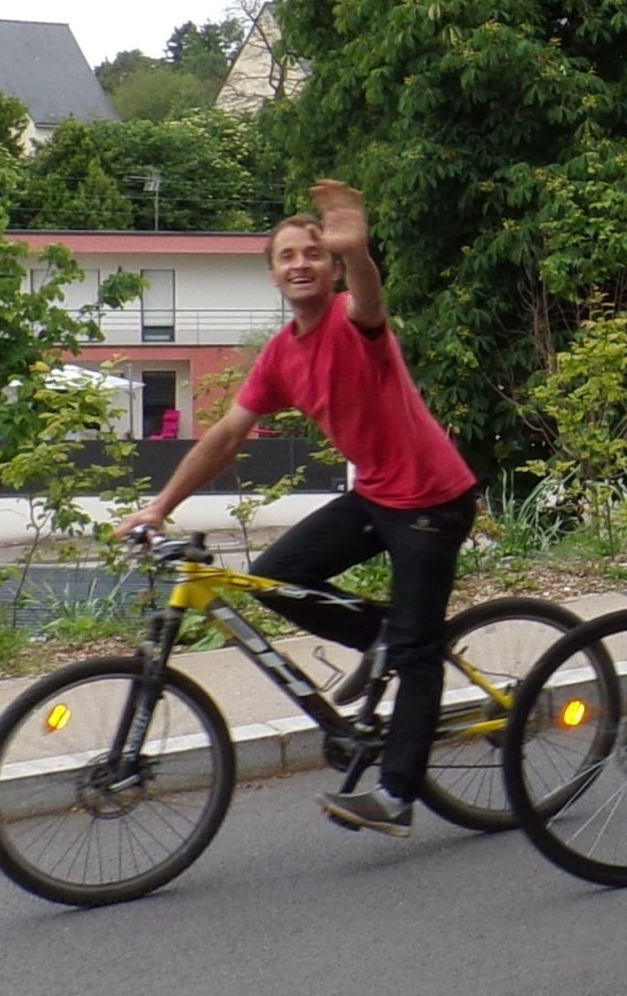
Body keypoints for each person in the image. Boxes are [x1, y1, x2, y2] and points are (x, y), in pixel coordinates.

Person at [115, 180, 478, 839]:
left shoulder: (351, 319)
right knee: (275, 577)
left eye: (314, 252)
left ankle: (396, 793)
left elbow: (370, 299)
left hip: (432, 497)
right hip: (377, 492)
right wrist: (159, 506)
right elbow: (227, 434)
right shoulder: (282, 354)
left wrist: (358, 250)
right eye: (287, 256)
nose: (301, 263)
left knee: (418, 650)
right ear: (273, 274)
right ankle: (386, 636)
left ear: (332, 267)